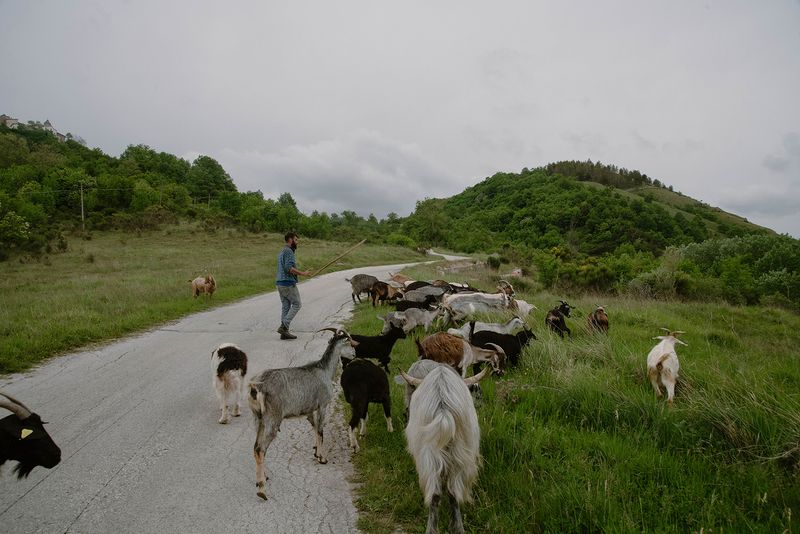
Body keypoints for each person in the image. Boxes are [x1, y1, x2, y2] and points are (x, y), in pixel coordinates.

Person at [275, 232, 311, 340]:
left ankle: (284, 333)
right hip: (288, 283)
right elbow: (289, 268)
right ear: (290, 240)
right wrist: (303, 273)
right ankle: (283, 326)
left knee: (286, 306)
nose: (297, 242)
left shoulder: (282, 251)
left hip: (280, 283)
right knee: (297, 304)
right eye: (296, 239)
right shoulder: (289, 250)